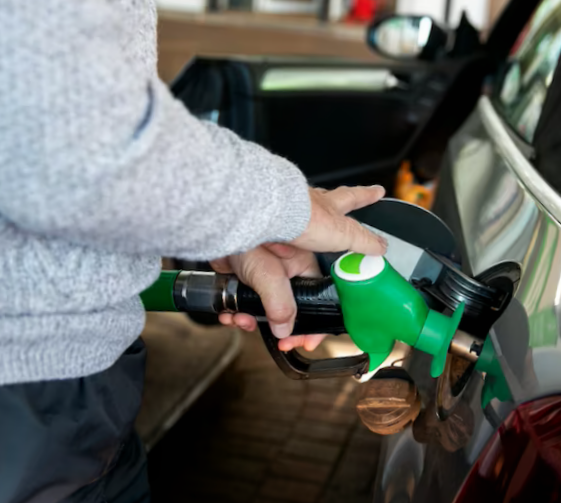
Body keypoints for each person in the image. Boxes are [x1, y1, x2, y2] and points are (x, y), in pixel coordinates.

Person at [0, 1, 387, 501]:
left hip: (72, 393)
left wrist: (234, 234)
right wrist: (285, 208)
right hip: (28, 398)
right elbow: (75, 139)